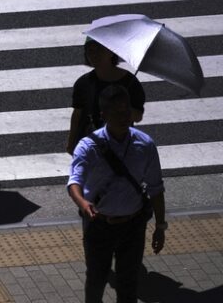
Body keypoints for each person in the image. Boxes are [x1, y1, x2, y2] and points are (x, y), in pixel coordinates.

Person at [67, 85, 167, 303]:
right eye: (117, 112)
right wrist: (83, 203)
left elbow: (156, 188)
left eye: (126, 111)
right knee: (96, 279)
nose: (124, 117)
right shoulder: (88, 146)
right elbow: (74, 182)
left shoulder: (145, 145)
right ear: (104, 115)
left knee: (128, 283)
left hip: (133, 224)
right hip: (98, 223)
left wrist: (160, 226)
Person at [66, 38, 146, 155]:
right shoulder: (83, 83)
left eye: (99, 50)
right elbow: (77, 114)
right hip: (89, 146)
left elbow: (138, 116)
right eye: (89, 51)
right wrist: (71, 142)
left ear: (111, 52)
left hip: (119, 146)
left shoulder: (130, 82)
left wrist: (121, 109)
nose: (93, 55)